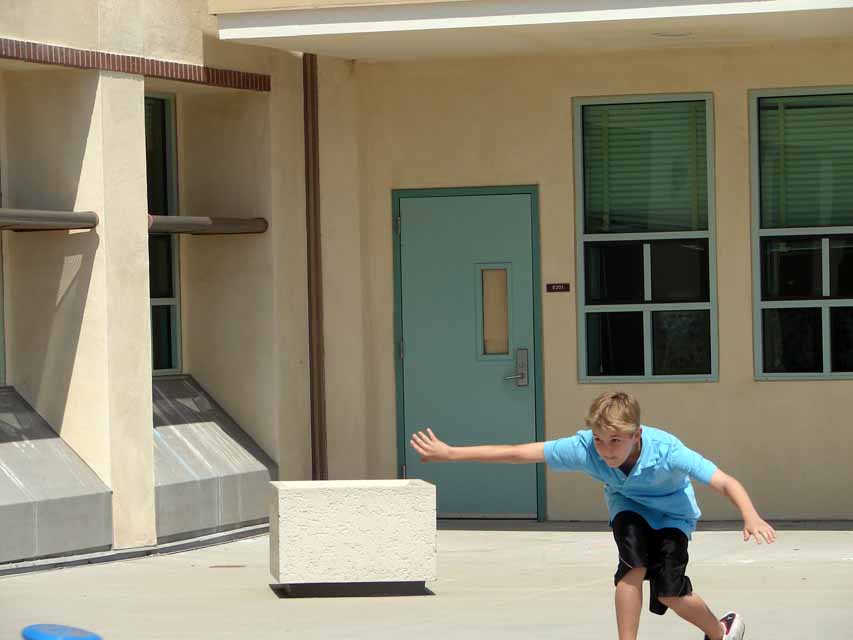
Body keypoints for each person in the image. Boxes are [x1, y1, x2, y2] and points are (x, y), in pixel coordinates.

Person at [409, 390, 776, 640]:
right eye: (599, 439)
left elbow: (724, 481)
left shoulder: (668, 450)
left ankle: (720, 631)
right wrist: (451, 453)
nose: (606, 450)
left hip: (672, 516)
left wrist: (751, 516)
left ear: (637, 435)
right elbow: (519, 452)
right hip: (628, 507)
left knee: (670, 593)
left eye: (616, 441)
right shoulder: (584, 447)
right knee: (632, 567)